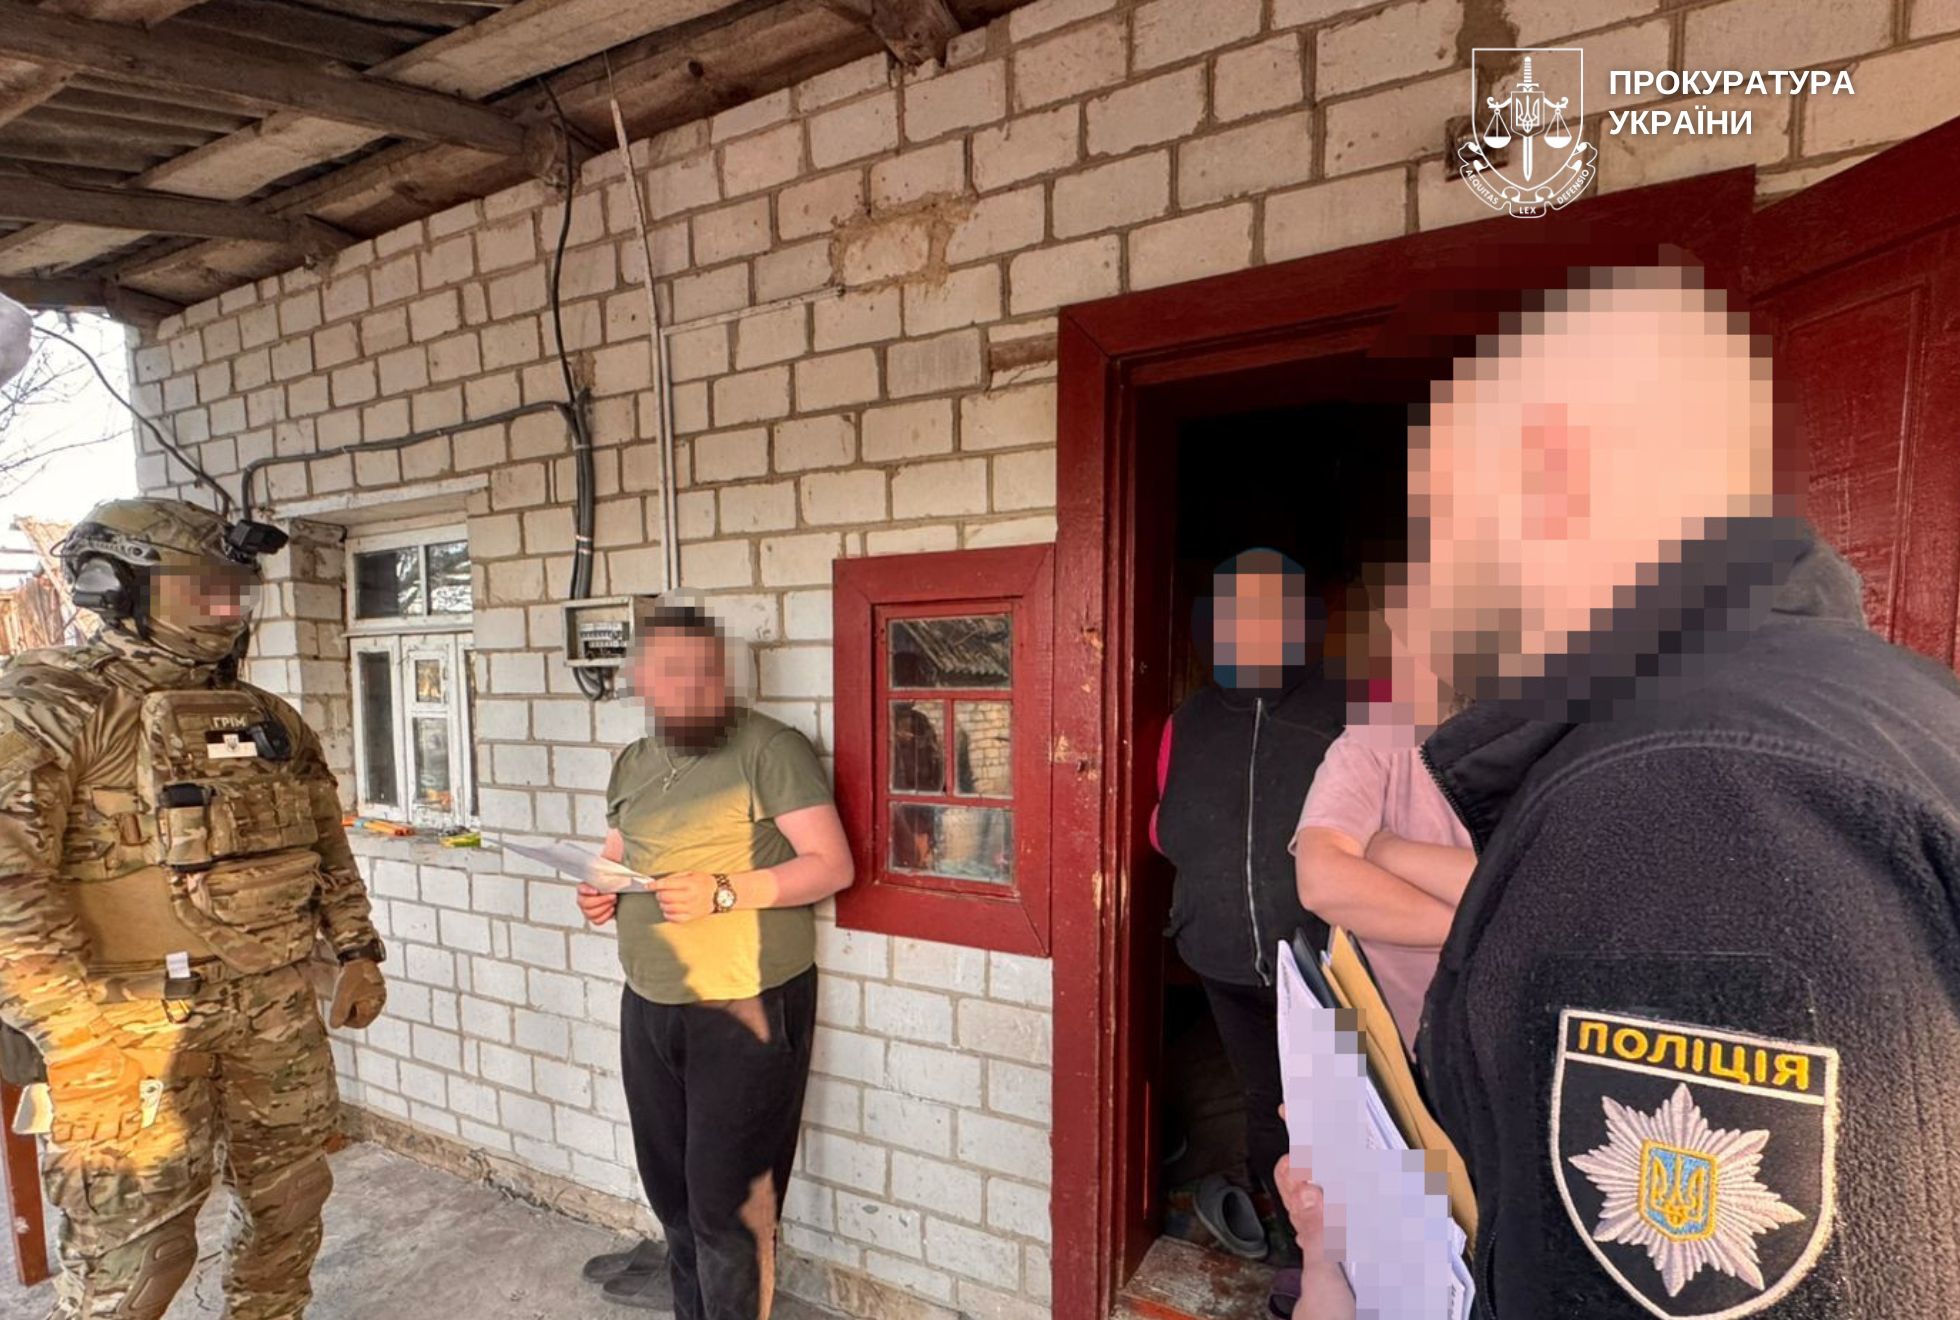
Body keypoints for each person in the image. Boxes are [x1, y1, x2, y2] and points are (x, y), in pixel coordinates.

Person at [1380, 263, 1960, 1317]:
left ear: (1552, 474)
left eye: (1436, 515)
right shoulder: (1860, 703)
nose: (1423, 575)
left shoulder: (1685, 795)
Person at [0, 497, 388, 1320]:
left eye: (233, 588)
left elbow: (324, 842)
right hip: (126, 1023)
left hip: (272, 1005)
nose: (225, 606)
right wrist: (72, 1034)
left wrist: (356, 949)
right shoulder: (49, 704)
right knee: (139, 1260)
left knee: (290, 1202)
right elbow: (9, 891)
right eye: (201, 586)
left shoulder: (265, 716)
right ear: (114, 584)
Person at [575, 602, 852, 1318]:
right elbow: (616, 858)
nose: (691, 685)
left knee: (729, 1217)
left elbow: (832, 865)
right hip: (649, 1001)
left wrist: (724, 891)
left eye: (703, 670)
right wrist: (598, 891)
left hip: (744, 1004)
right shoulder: (635, 762)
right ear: (641, 679)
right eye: (669, 672)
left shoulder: (769, 749)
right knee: (672, 1199)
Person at [1151, 548, 1347, 1259]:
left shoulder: (1351, 709)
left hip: (1331, 966)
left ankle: (1355, 1261)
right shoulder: (1190, 720)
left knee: (1345, 1113)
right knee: (1268, 1104)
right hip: (1223, 958)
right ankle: (1298, 1255)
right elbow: (1164, 825)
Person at [1290, 676, 1477, 1057]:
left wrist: (1389, 851)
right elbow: (1321, 882)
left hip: (1515, 1042)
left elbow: (1545, 887)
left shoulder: (1560, 744)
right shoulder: (1376, 739)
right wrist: (1494, 927)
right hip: (1384, 1049)